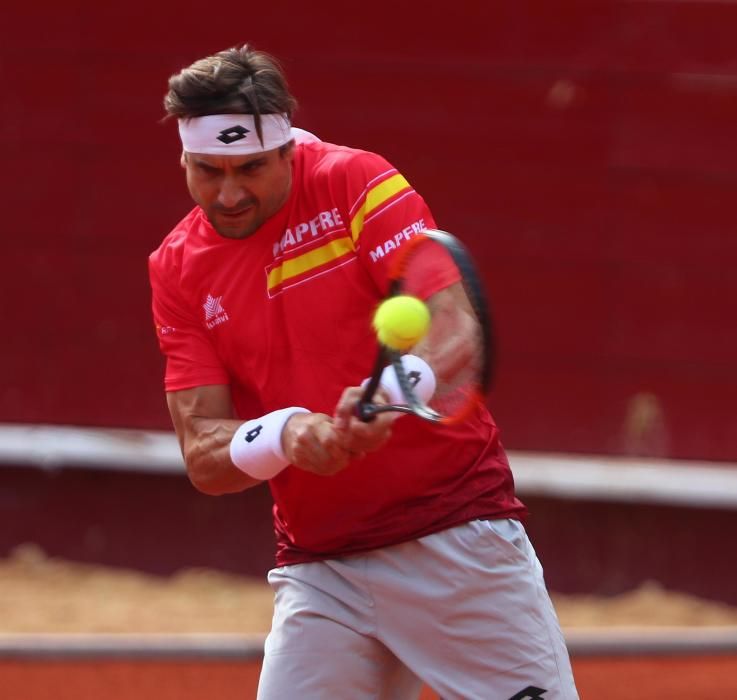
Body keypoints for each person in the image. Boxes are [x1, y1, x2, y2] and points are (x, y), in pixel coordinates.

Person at [149, 44, 578, 700]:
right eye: (207, 170)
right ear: (182, 157)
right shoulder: (175, 267)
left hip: (456, 537)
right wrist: (290, 435)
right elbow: (203, 453)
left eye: (251, 169)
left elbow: (455, 328)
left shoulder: (357, 181)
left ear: (288, 148)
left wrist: (388, 395)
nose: (229, 193)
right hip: (323, 571)